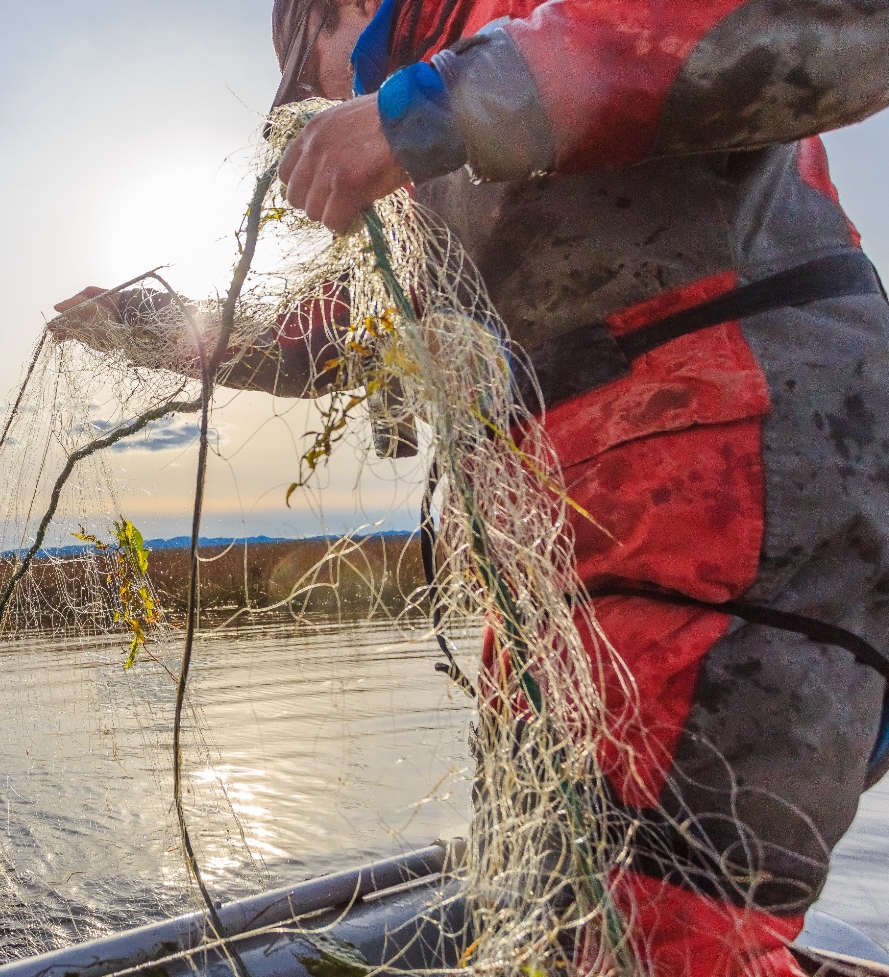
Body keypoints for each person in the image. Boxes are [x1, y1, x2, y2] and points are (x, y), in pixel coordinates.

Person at [55, 2, 889, 974]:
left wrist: (422, 109)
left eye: (309, 80)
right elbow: (330, 331)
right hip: (566, 567)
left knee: (664, 925)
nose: (320, 109)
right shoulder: (430, 179)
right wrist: (141, 323)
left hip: (737, 499)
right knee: (549, 886)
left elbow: (832, 25)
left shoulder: (491, 43)